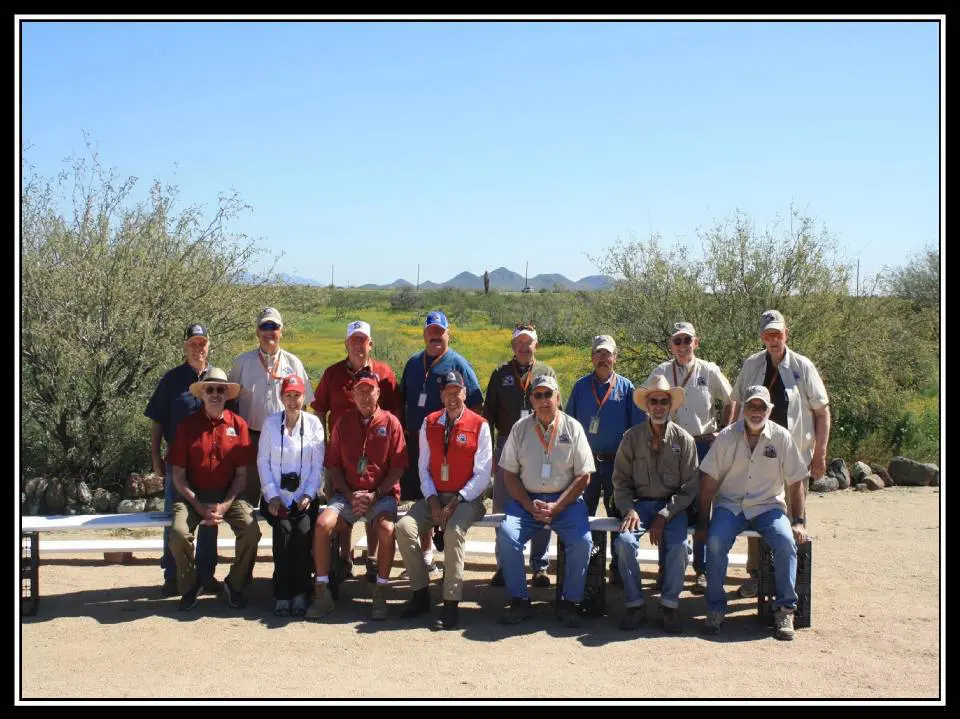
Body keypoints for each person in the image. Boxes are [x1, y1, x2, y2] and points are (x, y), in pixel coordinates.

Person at [696, 385, 810, 640]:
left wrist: (798, 521)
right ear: (743, 409)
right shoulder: (725, 437)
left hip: (768, 505)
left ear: (769, 410)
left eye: (761, 407)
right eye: (751, 406)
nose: (756, 411)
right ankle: (715, 608)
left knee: (785, 541)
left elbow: (796, 481)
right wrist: (703, 523)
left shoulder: (781, 437)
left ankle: (785, 609)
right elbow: (708, 484)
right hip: (730, 503)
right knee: (715, 542)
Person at [731, 309, 830, 598]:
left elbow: (822, 412)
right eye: (768, 334)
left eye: (778, 334)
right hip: (754, 455)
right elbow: (736, 403)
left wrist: (820, 454)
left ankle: (793, 577)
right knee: (753, 509)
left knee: (794, 517)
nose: (773, 339)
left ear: (786, 333)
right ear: (762, 336)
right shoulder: (752, 364)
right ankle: (757, 575)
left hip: (794, 456)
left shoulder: (803, 366)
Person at [305, 368, 407, 621]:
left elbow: (398, 467)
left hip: (381, 494)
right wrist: (350, 496)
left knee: (386, 530)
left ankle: (381, 589)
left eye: (369, 390)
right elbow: (334, 466)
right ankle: (322, 590)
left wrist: (375, 494)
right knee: (322, 524)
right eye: (359, 390)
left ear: (378, 392)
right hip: (348, 494)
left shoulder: (391, 423)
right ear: (352, 394)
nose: (364, 395)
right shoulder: (343, 422)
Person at [496, 375, 595, 628]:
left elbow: (584, 476)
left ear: (558, 397)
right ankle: (520, 600)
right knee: (507, 536)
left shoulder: (573, 428)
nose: (543, 401)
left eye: (548, 395)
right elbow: (508, 474)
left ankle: (569, 602)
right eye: (538, 395)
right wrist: (530, 506)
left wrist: (558, 506)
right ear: (531, 400)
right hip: (527, 500)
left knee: (583, 541)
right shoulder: (520, 428)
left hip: (566, 502)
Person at [396, 370, 493, 629]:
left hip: (468, 499)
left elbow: (483, 473)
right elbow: (423, 468)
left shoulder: (480, 425)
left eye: (457, 391)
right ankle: (420, 594)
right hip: (435, 497)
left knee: (453, 531)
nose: (452, 397)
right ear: (441, 394)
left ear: (465, 393)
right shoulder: (430, 422)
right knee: (404, 528)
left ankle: (451, 603)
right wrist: (433, 500)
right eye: (447, 392)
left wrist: (456, 500)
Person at [645, 321, 735, 594]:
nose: (682, 346)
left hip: (704, 443)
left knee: (702, 506)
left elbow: (731, 400)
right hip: (671, 445)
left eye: (687, 340)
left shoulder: (709, 370)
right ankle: (665, 568)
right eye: (677, 341)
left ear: (696, 342)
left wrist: (724, 430)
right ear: (671, 345)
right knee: (668, 503)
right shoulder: (661, 371)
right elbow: (647, 404)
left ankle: (702, 570)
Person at [311, 320, 401, 582]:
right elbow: (318, 409)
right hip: (340, 454)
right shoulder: (332, 374)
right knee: (342, 503)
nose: (359, 345)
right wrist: (324, 443)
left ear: (370, 344)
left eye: (363, 340)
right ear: (346, 344)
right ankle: (344, 558)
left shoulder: (384, 372)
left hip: (377, 454)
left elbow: (395, 409)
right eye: (354, 340)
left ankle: (372, 559)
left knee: (373, 506)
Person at [167, 367, 262, 612]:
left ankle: (235, 584)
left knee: (252, 531)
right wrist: (198, 505)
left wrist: (224, 505)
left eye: (221, 389)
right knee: (177, 534)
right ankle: (190, 585)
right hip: (192, 496)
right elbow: (177, 476)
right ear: (202, 394)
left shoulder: (238, 425)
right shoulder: (187, 427)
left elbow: (242, 476)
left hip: (229, 494)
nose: (216, 394)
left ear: (227, 394)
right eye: (210, 389)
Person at [611, 375, 699, 633]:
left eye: (663, 401)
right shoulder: (631, 437)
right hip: (639, 506)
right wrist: (629, 509)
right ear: (647, 406)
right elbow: (620, 480)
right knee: (624, 543)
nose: (659, 406)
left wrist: (664, 514)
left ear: (671, 405)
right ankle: (635, 604)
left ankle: (669, 605)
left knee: (681, 547)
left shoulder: (685, 440)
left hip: (674, 509)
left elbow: (690, 487)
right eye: (654, 401)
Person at [398, 310, 483, 576]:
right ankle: (426, 554)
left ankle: (448, 559)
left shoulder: (459, 364)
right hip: (418, 441)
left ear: (448, 334)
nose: (435, 336)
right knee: (422, 498)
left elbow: (477, 403)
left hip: (450, 444)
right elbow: (404, 400)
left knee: (446, 497)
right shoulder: (413, 363)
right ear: (424, 334)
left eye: (440, 332)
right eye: (431, 331)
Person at [565, 334, 646, 588]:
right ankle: (585, 565)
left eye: (607, 354)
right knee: (582, 514)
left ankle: (618, 567)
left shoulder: (626, 387)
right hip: (586, 465)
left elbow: (637, 429)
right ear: (592, 357)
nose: (603, 358)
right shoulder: (580, 387)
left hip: (616, 465)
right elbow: (569, 424)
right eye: (599, 353)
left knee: (618, 515)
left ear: (615, 357)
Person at [483, 323, 558, 589]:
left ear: (536, 344)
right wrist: (490, 452)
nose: (524, 347)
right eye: (519, 343)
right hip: (507, 444)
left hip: (540, 444)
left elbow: (559, 412)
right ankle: (505, 565)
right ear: (513, 346)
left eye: (529, 342)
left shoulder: (546, 372)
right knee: (502, 506)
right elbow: (488, 416)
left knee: (541, 502)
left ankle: (539, 566)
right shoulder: (500, 374)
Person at [144, 323, 212, 597]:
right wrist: (155, 459)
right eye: (193, 344)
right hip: (177, 464)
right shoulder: (171, 380)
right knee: (174, 520)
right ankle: (172, 574)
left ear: (209, 346)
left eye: (202, 343)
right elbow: (158, 422)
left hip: (209, 465)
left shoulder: (216, 380)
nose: (198, 349)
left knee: (208, 519)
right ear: (185, 347)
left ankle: (206, 574)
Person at [227, 307, 314, 505]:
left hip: (283, 439)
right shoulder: (241, 363)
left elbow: (304, 405)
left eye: (273, 326)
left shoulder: (294, 363)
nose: (269, 332)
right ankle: (248, 536)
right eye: (264, 326)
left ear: (281, 330)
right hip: (250, 439)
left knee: (281, 499)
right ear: (257, 332)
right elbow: (230, 404)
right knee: (246, 500)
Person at [257, 374, 325, 617]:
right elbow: (263, 461)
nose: (293, 400)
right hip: (277, 498)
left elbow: (317, 464)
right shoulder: (270, 424)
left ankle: (301, 593)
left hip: (304, 498)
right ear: (281, 397)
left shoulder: (314, 425)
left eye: (297, 395)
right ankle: (282, 594)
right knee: (283, 532)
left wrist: (308, 493)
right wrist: (272, 496)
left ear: (304, 397)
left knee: (303, 534)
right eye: (288, 395)